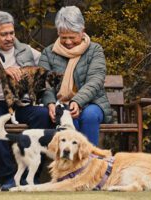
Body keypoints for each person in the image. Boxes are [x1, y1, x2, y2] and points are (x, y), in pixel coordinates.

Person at [0, 11, 52, 190]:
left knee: (43, 116)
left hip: (21, 103)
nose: (9, 38)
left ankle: (31, 177)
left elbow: (48, 67)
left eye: (11, 33)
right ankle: (8, 178)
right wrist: (0, 75)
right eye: (3, 34)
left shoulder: (27, 51)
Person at [39, 6, 113, 145]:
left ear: (82, 31)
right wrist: (49, 103)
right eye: (63, 37)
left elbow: (95, 80)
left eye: (72, 37)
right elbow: (45, 83)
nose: (68, 42)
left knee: (89, 116)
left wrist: (77, 102)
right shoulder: (48, 53)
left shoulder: (95, 50)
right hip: (60, 104)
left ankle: (90, 161)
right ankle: (70, 165)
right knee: (66, 117)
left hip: (92, 103)